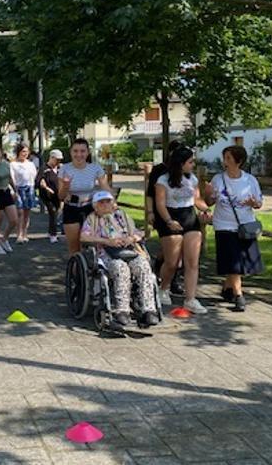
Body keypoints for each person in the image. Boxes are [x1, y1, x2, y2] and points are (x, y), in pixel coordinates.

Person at [80, 191, 160, 327]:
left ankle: (149, 310)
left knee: (143, 265)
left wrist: (131, 238)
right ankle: (122, 311)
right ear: (95, 206)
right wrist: (107, 241)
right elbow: (83, 237)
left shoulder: (122, 216)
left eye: (108, 201)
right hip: (106, 254)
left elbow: (138, 233)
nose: (106, 204)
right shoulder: (92, 219)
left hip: (129, 251)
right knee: (120, 268)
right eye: (101, 202)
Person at [205, 145, 264, 312]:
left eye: (229, 158)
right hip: (224, 225)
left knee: (241, 261)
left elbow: (259, 203)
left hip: (245, 225)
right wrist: (208, 193)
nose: (225, 161)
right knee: (233, 261)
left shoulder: (250, 180)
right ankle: (239, 295)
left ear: (239, 161)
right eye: (224, 158)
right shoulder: (218, 179)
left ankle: (227, 288)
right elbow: (209, 202)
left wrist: (253, 203)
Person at [154, 146, 212, 314]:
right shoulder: (163, 180)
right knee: (172, 263)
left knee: (192, 262)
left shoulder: (192, 179)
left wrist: (206, 209)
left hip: (189, 217)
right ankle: (163, 288)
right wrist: (169, 221)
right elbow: (160, 204)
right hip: (170, 217)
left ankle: (190, 299)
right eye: (190, 162)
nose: (193, 165)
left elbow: (196, 199)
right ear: (181, 163)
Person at [57, 138, 112, 256]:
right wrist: (66, 185)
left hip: (90, 207)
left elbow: (105, 187)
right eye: (75, 151)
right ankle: (75, 266)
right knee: (74, 246)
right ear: (71, 152)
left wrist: (113, 203)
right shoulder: (64, 169)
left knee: (96, 242)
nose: (79, 155)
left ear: (87, 153)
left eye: (82, 151)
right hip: (71, 208)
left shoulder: (95, 168)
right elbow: (61, 196)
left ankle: (96, 264)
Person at [145, 140, 186, 294]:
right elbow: (150, 193)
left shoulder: (185, 170)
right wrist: (150, 212)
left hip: (181, 213)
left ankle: (170, 274)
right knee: (170, 248)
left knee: (177, 248)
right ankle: (167, 276)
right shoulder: (159, 170)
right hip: (162, 213)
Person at [10, 143, 38, 243]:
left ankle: (25, 233)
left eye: (26, 151)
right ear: (18, 152)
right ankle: (19, 234)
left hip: (29, 188)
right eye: (23, 151)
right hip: (18, 188)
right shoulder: (13, 164)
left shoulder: (30, 164)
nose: (25, 154)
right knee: (20, 212)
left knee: (27, 212)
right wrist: (13, 191)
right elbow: (11, 178)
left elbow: (34, 175)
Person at [39, 149, 63, 243]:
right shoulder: (44, 168)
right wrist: (46, 188)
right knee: (52, 212)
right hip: (47, 196)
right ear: (51, 158)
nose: (58, 162)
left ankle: (50, 231)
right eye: (57, 159)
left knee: (56, 213)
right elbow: (40, 181)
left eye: (60, 160)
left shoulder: (60, 168)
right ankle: (53, 234)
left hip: (58, 195)